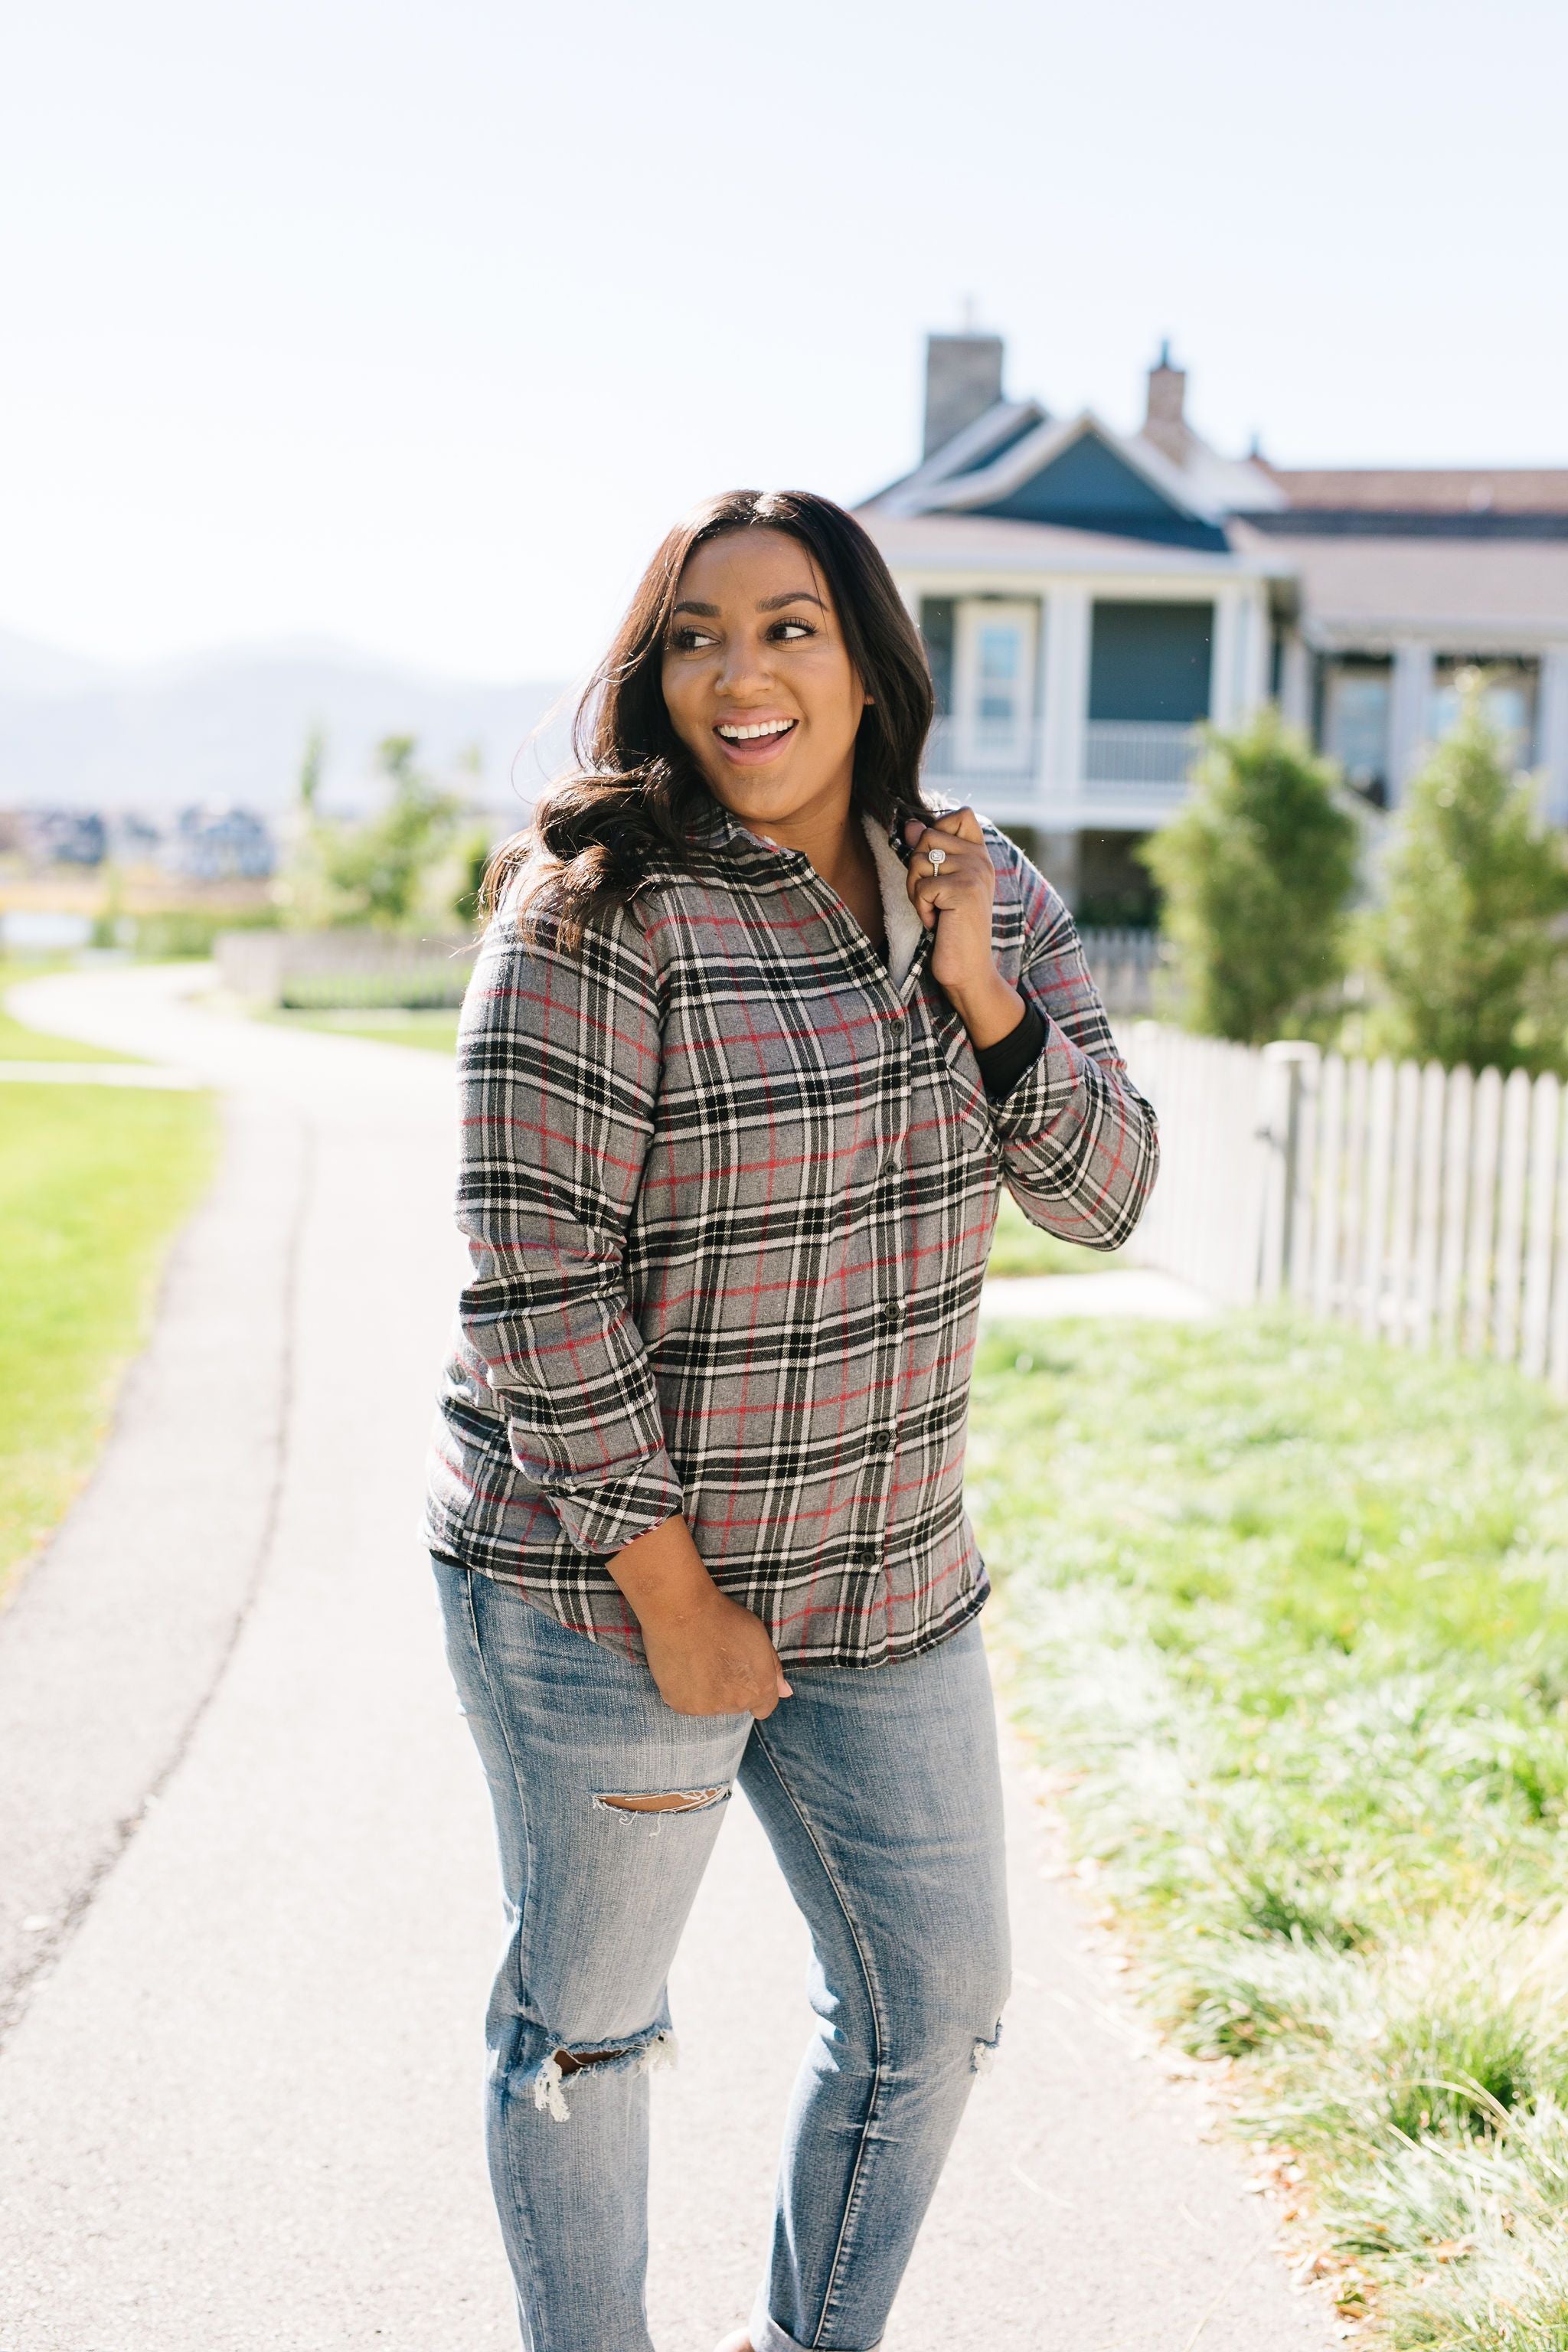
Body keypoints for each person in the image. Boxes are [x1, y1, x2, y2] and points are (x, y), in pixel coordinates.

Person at [425, 488, 1158, 2352]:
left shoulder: (988, 898)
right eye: (695, 635)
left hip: (892, 1593)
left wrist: (984, 988)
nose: (739, 676)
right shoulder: (596, 913)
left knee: (936, 2007)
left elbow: (1108, 1197)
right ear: (653, 673)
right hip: (607, 1594)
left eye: (787, 629)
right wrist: (674, 1596)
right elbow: (535, 1283)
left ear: (866, 660)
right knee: (588, 2030)